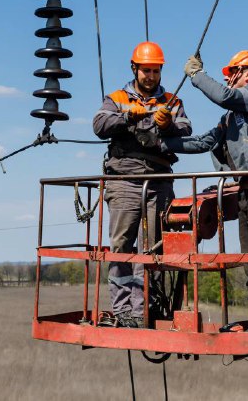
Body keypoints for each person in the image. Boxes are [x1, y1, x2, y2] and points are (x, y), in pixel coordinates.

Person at [161, 50, 248, 331]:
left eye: (231, 73)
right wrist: (159, 143)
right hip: (247, 192)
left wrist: (196, 75)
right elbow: (203, 142)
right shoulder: (232, 118)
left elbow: (225, 96)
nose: (227, 79)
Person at [93, 41, 191, 328]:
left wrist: (167, 124)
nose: (151, 76)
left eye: (155, 71)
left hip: (158, 181)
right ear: (134, 69)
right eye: (146, 70)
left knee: (153, 247)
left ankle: (145, 308)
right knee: (122, 244)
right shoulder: (117, 98)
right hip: (124, 180)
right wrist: (127, 117)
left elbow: (186, 129)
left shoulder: (171, 101)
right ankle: (124, 310)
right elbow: (99, 125)